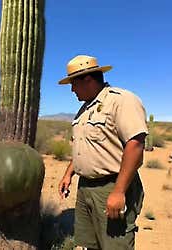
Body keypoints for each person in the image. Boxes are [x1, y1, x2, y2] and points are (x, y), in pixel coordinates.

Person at [58, 55, 148, 250]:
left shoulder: (121, 100)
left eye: (73, 84)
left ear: (87, 80)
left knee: (115, 245)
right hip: (85, 189)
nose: (72, 90)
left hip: (111, 186)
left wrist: (118, 191)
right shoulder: (84, 110)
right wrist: (68, 173)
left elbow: (135, 145)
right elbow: (84, 147)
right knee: (89, 245)